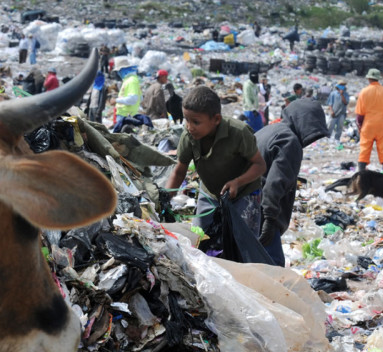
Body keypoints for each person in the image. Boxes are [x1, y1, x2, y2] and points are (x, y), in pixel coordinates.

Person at [165, 86, 267, 236]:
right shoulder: (188, 137)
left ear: (216, 119)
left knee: (242, 242)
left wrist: (237, 182)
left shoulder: (238, 132)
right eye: (186, 119)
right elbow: (180, 171)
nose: (189, 126)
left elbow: (260, 165)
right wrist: (166, 197)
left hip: (243, 192)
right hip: (210, 193)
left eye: (196, 122)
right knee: (199, 237)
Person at [255, 99, 327, 266]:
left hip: (246, 206)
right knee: (273, 269)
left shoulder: (271, 130)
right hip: (261, 212)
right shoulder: (290, 141)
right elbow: (274, 184)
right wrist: (270, 219)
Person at [355, 68, 383, 173]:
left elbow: (359, 115)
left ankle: (361, 174)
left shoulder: (364, 91)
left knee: (365, 149)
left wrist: (360, 125)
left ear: (369, 78)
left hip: (368, 124)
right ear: (378, 79)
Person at [114, 58, 142, 125]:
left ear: (124, 69)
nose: (119, 73)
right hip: (126, 114)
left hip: (126, 115)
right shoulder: (128, 80)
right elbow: (140, 98)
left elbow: (133, 99)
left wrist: (116, 100)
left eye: (119, 70)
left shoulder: (131, 81)